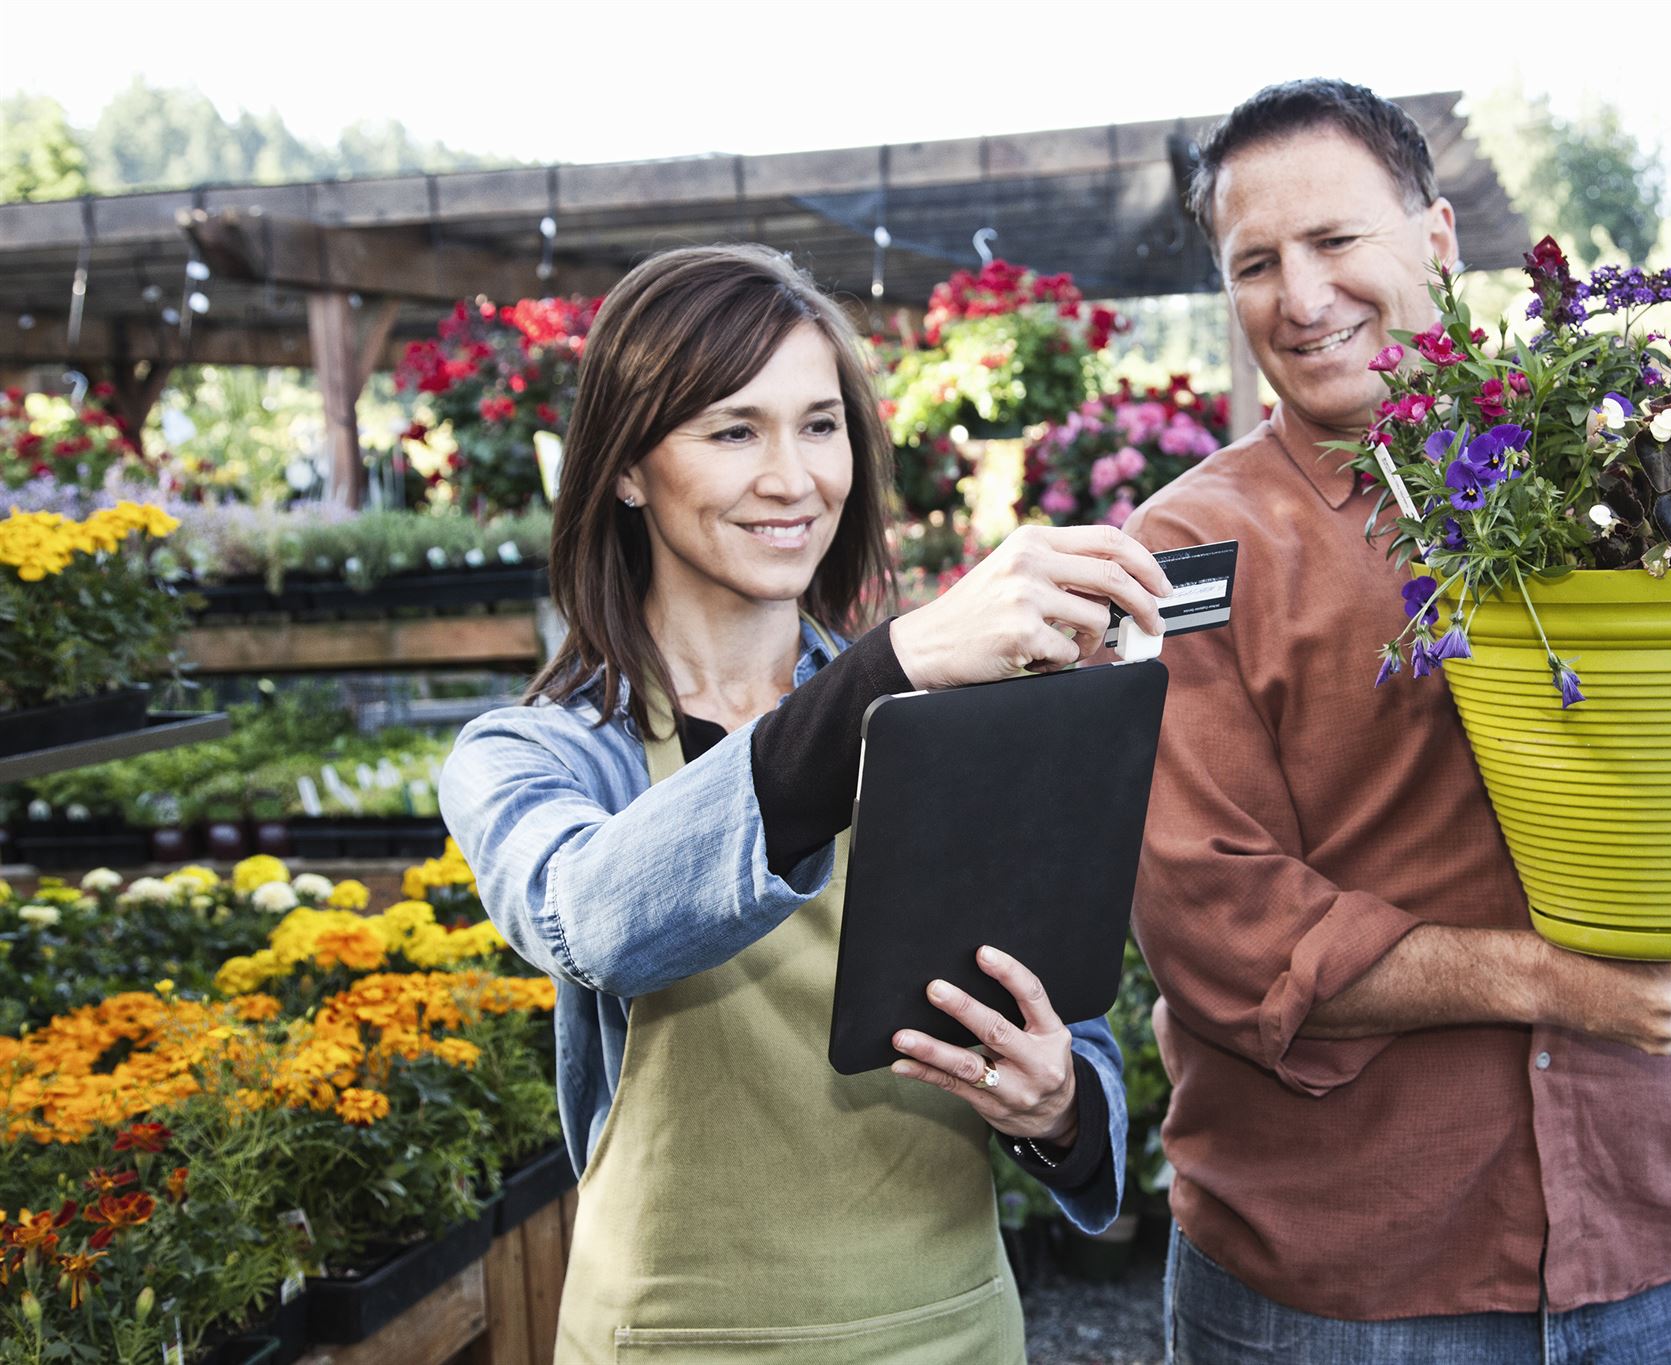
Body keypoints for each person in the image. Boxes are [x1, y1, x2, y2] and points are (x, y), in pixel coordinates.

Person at [1122, 79, 1671, 1362]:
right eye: (1254, 263)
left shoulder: (1630, 462)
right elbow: (1212, 920)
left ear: (1433, 237)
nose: (1299, 298)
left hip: (1667, 1252)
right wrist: (1551, 985)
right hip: (1345, 1287)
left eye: (1334, 241)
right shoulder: (1188, 551)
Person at [441, 243, 1171, 1363]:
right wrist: (883, 673)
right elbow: (587, 918)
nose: (793, 477)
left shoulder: (959, 718)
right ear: (626, 469)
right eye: (734, 430)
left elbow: (1067, 1036)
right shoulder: (536, 756)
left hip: (950, 1329)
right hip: (675, 1343)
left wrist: (1060, 1105)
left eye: (819, 424)